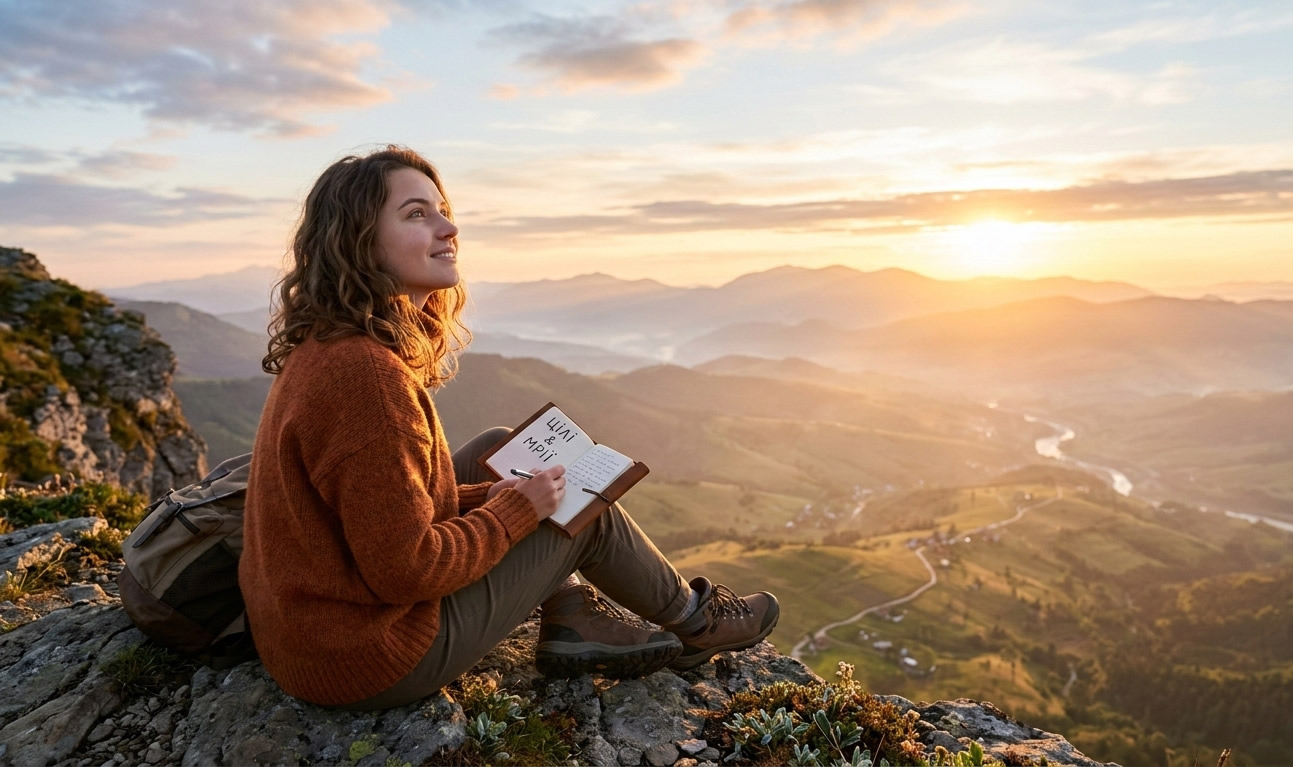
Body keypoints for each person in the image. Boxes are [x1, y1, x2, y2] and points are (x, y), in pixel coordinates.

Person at [238, 145, 779, 710]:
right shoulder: (367, 377)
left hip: (315, 635)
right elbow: (407, 570)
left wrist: (490, 497)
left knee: (501, 450)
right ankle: (697, 623)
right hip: (367, 658)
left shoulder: (333, 347)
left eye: (442, 209)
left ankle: (568, 615)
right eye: (417, 214)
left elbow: (376, 515)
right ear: (358, 240)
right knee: (582, 507)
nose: (450, 228)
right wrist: (518, 511)